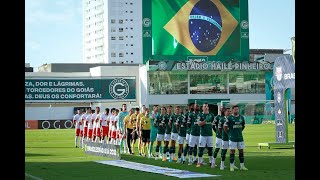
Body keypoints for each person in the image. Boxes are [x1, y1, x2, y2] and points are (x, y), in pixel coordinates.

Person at [224, 105, 248, 171]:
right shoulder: (229, 118)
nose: (236, 110)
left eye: (237, 109)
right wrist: (229, 134)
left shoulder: (241, 117)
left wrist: (239, 131)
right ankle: (232, 166)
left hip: (240, 137)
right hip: (232, 138)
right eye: (235, 109)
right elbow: (225, 127)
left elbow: (243, 126)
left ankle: (242, 166)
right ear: (232, 110)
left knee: (241, 151)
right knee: (232, 151)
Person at [196, 103, 215, 168]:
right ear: (202, 108)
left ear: (208, 107)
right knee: (201, 149)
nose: (206, 107)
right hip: (203, 135)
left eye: (207, 106)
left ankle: (211, 162)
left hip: (210, 135)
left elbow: (213, 124)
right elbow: (199, 124)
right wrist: (205, 120)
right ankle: (199, 162)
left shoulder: (211, 115)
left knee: (210, 149)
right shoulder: (200, 115)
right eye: (204, 106)